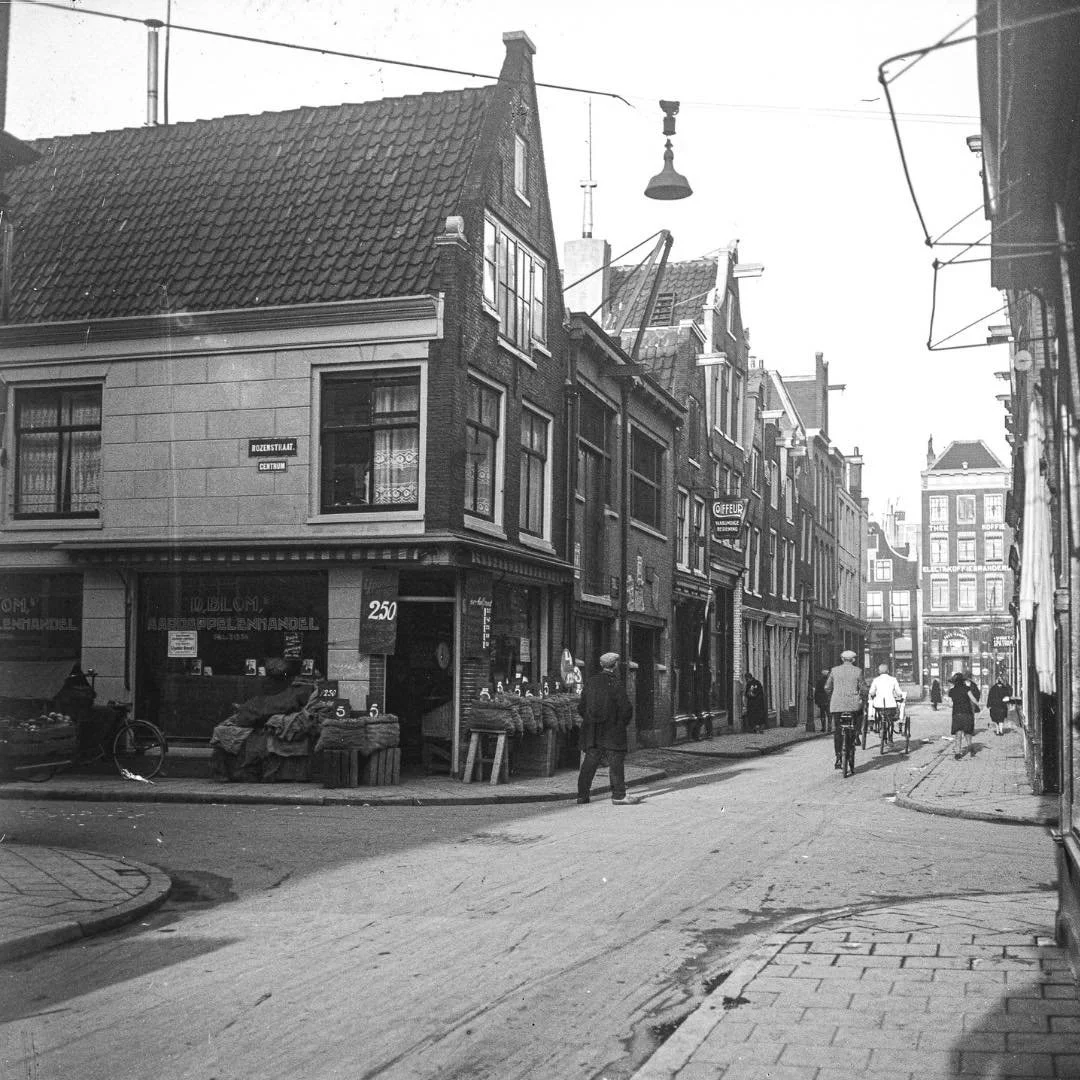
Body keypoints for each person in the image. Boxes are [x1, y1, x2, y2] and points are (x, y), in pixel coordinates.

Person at [576, 652, 636, 805]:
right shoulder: (616, 683)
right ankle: (618, 795)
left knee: (589, 763)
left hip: (593, 731)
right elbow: (626, 709)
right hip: (612, 730)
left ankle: (582, 796)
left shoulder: (591, 682)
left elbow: (581, 707)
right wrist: (621, 724)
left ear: (602, 665)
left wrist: (591, 720)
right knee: (616, 763)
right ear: (615, 666)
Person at [825, 650, 867, 768]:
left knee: (838, 730)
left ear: (842, 659)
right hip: (853, 704)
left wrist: (832, 695)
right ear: (853, 660)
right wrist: (863, 697)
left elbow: (827, 687)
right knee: (858, 717)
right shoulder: (858, 671)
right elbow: (863, 689)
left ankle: (838, 757)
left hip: (837, 704)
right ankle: (855, 736)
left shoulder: (834, 670)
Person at [868, 663, 904, 743]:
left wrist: (873, 694)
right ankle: (890, 738)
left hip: (879, 705)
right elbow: (899, 692)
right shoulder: (893, 679)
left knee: (879, 715)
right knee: (890, 720)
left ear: (879, 671)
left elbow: (871, 692)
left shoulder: (876, 680)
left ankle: (877, 725)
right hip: (890, 705)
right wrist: (900, 696)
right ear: (888, 671)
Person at [948, 671, 980, 758]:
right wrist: (977, 704)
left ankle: (957, 753)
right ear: (963, 681)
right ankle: (971, 749)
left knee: (958, 734)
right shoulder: (966, 689)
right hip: (967, 713)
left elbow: (950, 704)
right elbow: (973, 699)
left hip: (956, 714)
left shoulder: (951, 691)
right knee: (968, 733)